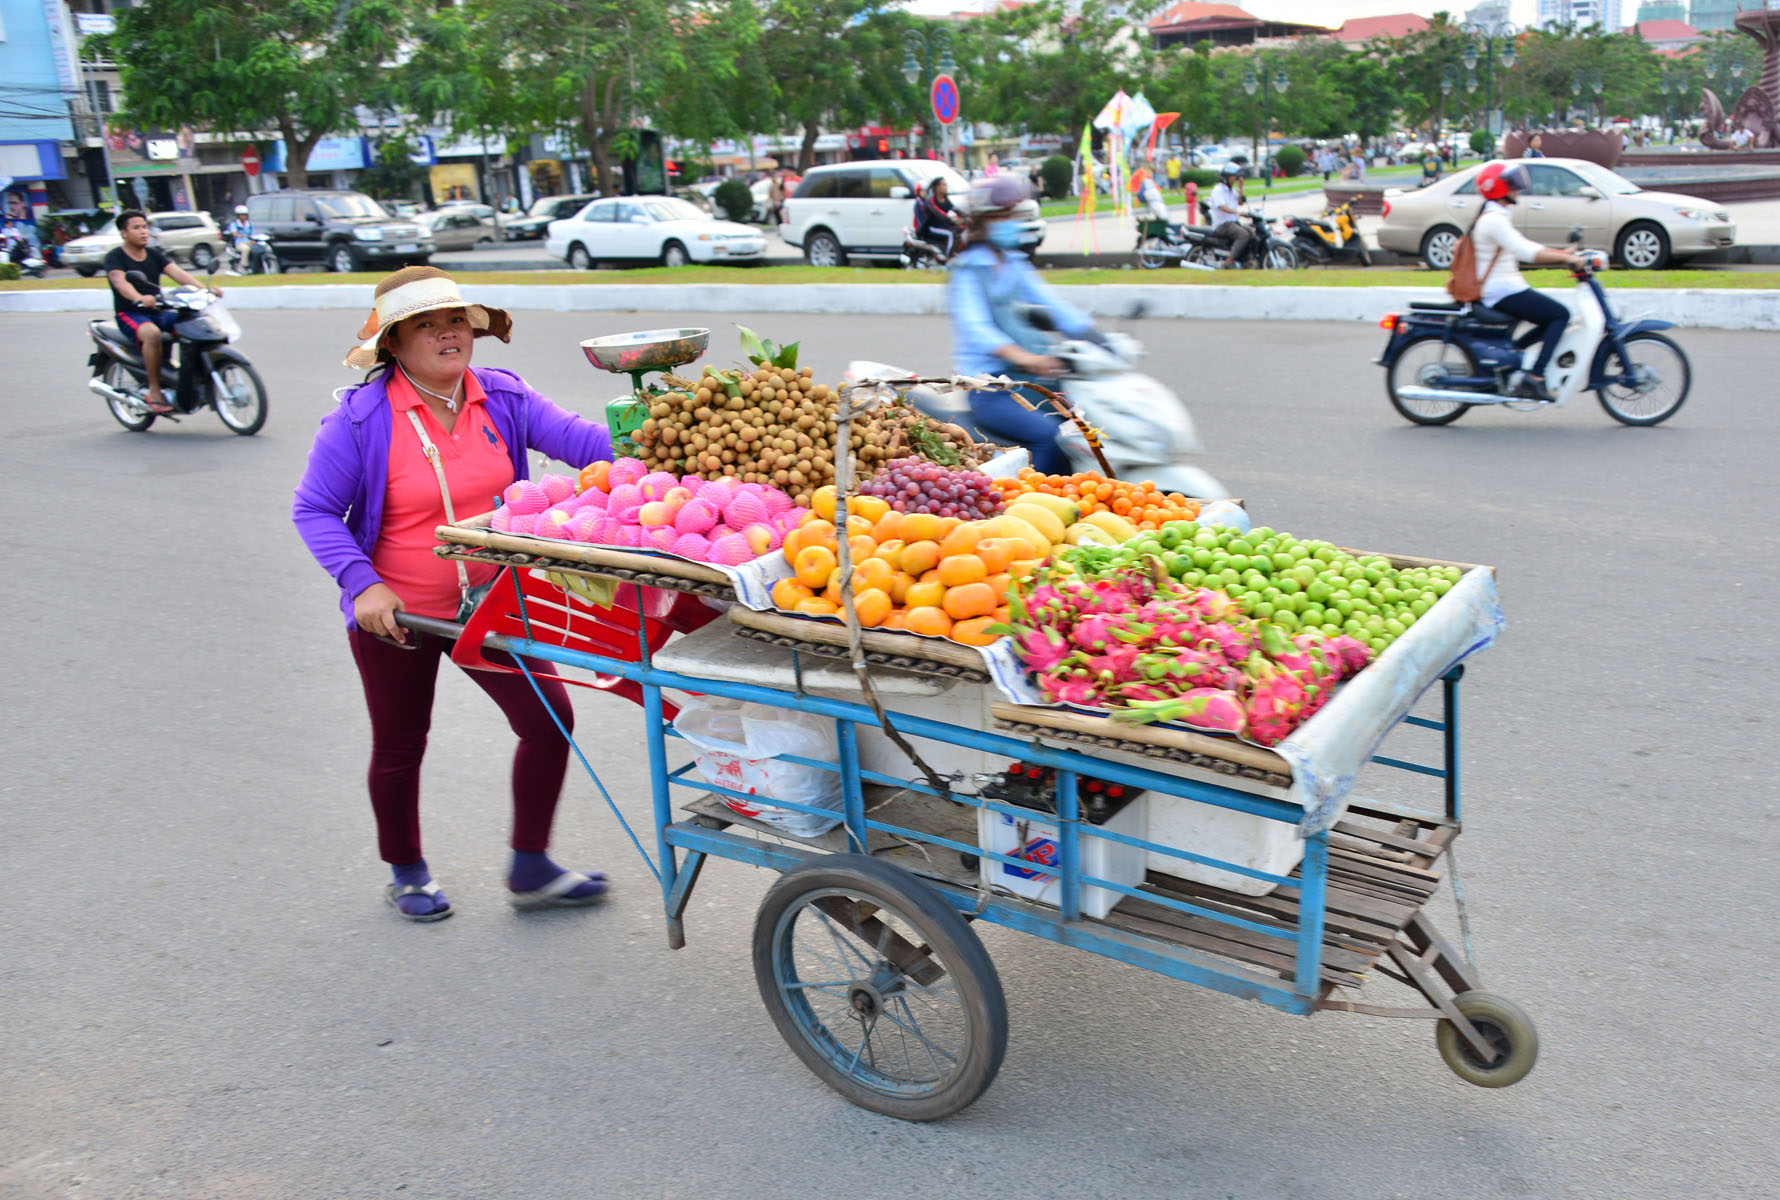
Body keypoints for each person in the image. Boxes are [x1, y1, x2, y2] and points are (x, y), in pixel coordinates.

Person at [291, 266, 615, 922]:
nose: (447, 332)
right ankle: (406, 871)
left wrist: (663, 437)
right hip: (400, 617)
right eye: (425, 324)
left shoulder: (503, 397)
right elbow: (315, 511)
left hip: (493, 607)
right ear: (395, 344)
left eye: (455, 319)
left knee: (548, 723)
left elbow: (585, 445)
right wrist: (364, 586)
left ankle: (530, 866)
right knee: (402, 743)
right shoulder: (359, 420)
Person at [949, 176, 1102, 474]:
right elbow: (976, 328)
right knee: (1051, 439)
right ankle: (1027, 508)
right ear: (982, 221)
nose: (1009, 221)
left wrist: (1094, 336)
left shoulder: (1013, 262)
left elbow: (1054, 305)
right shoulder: (969, 269)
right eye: (1001, 215)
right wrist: (1027, 358)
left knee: (1089, 428)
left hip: (1029, 381)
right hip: (990, 386)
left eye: (1011, 214)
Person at [1467, 163, 1585, 403]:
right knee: (1559, 315)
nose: (1517, 189)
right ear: (1499, 188)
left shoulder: (1497, 216)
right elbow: (1526, 252)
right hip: (1500, 291)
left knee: (1551, 317)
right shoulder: (1494, 221)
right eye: (1512, 184)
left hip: (1505, 287)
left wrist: (1562, 253)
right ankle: (1535, 376)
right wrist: (1565, 257)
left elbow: (1525, 246)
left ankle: (1512, 357)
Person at [104, 209, 222, 415]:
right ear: (124, 233)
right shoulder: (115, 257)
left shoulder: (154, 255)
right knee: (152, 333)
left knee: (192, 323)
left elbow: (178, 273)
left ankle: (190, 377)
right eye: (136, 228)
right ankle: (154, 390)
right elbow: (120, 282)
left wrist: (203, 290)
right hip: (132, 313)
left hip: (159, 310)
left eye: (144, 227)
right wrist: (138, 298)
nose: (143, 232)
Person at [1208, 162, 1249, 268]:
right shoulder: (1218, 190)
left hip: (1233, 223)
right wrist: (1238, 213)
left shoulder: (1231, 190)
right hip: (1223, 225)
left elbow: (1240, 202)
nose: (1235, 178)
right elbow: (1223, 207)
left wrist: (1241, 188)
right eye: (1233, 176)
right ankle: (1228, 261)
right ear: (1226, 177)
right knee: (1243, 235)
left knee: (1251, 232)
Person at [914, 176, 962, 258]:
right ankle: (949, 259)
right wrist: (950, 219)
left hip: (943, 226)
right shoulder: (930, 201)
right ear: (937, 187)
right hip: (932, 227)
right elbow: (938, 213)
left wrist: (968, 216)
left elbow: (955, 209)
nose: (946, 187)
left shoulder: (945, 199)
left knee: (962, 231)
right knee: (951, 234)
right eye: (944, 185)